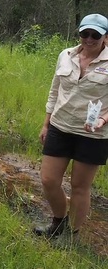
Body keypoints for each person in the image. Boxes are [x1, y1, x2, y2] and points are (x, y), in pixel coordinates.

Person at [34, 13, 108, 239]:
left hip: (93, 134)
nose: (89, 38)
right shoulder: (65, 55)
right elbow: (55, 90)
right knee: (49, 180)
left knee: (79, 186)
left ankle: (71, 235)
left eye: (95, 34)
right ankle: (58, 221)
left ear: (105, 37)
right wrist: (46, 124)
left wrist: (103, 119)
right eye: (84, 33)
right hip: (60, 126)